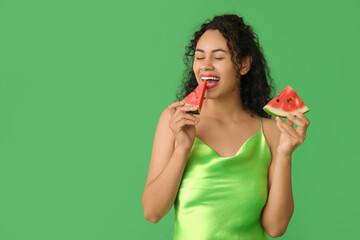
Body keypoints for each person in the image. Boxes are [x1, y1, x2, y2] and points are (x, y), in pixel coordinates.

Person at [142, 14, 310, 239]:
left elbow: (275, 228)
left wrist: (285, 154)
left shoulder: (271, 131)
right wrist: (182, 148)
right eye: (199, 57)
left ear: (244, 64)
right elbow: (152, 212)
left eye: (218, 57)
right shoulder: (174, 120)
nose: (206, 66)